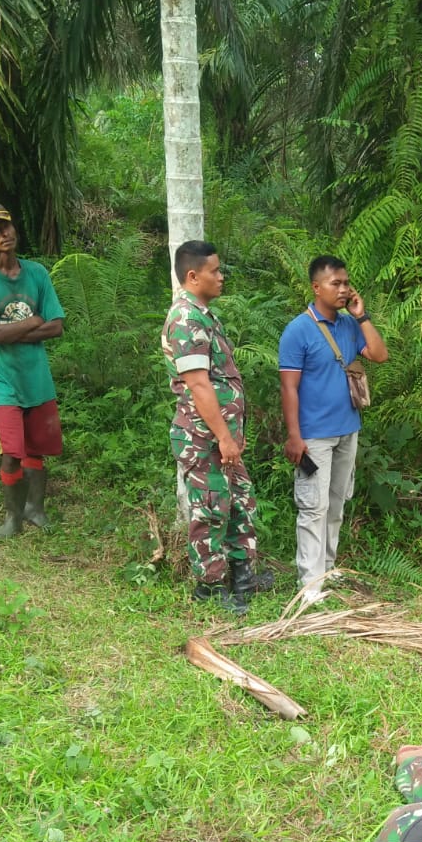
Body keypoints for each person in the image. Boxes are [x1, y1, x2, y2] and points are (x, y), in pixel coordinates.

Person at [161, 240, 273, 615]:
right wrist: (223, 437)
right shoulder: (186, 319)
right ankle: (209, 586)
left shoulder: (203, 314)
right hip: (203, 437)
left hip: (223, 436)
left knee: (238, 501)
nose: (221, 277)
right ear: (193, 276)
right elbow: (199, 384)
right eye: (215, 271)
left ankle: (242, 575)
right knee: (210, 509)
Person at [278, 256, 388, 604]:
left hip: (347, 430)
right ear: (316, 287)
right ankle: (310, 586)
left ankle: (325, 569)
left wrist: (362, 315)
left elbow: (379, 355)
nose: (343, 289)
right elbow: (289, 388)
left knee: (336, 503)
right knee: (313, 507)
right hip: (313, 435)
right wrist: (294, 436)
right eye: (335, 284)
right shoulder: (298, 330)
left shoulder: (348, 325)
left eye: (346, 283)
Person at [0, 202, 65, 538]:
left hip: (35, 374)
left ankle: (35, 509)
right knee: (11, 451)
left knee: (36, 447)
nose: (3, 234)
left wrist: (18, 328)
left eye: (6, 225)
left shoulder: (36, 273)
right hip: (0, 377)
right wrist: (34, 320)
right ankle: (13, 519)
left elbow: (56, 326)